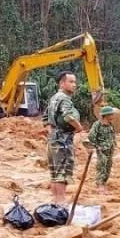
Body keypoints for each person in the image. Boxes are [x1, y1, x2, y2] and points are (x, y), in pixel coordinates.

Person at [42, 71, 84, 206]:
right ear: (62, 83)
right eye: (71, 82)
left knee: (55, 172)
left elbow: (45, 119)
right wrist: (79, 128)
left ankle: (55, 202)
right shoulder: (64, 99)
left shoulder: (54, 98)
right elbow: (68, 116)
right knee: (62, 172)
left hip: (53, 139)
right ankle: (60, 202)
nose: (74, 85)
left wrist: (52, 132)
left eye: (75, 82)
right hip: (62, 141)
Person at [87, 106, 117, 194]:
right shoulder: (98, 124)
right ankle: (100, 186)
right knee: (101, 167)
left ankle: (104, 184)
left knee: (108, 167)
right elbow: (91, 137)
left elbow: (112, 136)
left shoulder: (110, 125)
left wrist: (114, 144)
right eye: (111, 114)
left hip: (110, 149)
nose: (113, 116)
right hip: (102, 150)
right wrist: (96, 146)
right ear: (106, 115)